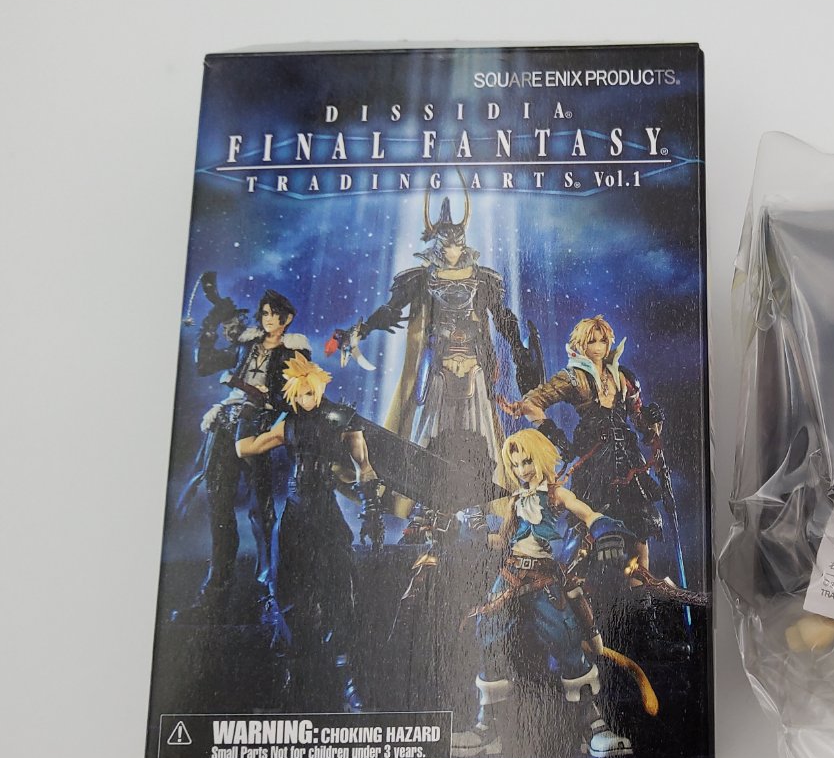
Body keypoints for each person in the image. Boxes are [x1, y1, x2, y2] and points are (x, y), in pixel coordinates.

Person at [334, 188, 538, 495]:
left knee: (480, 431)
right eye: (447, 243)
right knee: (429, 429)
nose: (453, 250)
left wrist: (519, 350)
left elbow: (502, 317)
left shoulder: (483, 279)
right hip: (436, 365)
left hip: (475, 364)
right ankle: (423, 498)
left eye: (458, 242)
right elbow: (391, 310)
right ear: (438, 243)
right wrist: (360, 331)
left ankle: (483, 497)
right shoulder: (419, 278)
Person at [450, 428, 637, 758]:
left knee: (565, 640)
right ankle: (486, 728)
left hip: (543, 581)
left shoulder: (555, 495)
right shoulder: (514, 501)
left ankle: (593, 725)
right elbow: (502, 541)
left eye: (527, 461)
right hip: (509, 578)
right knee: (489, 635)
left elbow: (588, 513)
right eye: (516, 464)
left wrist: (605, 531)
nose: (522, 469)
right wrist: (467, 531)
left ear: (540, 457)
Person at [235, 356, 384, 712]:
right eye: (301, 393)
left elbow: (365, 468)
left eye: (312, 392)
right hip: (295, 513)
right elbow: (246, 447)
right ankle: (295, 673)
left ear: (321, 387)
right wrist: (246, 412)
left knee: (339, 592)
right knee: (288, 590)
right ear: (294, 393)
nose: (308, 398)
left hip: (325, 512)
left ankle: (349, 678)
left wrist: (371, 510)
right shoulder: (287, 424)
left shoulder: (342, 420)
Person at [502, 316, 664, 572]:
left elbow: (641, 422)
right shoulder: (573, 377)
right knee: (587, 526)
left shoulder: (622, 377)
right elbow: (533, 402)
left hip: (627, 457)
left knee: (640, 526)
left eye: (602, 341)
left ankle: (640, 585)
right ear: (581, 344)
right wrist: (555, 436)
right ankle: (583, 582)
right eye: (592, 342)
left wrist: (652, 420)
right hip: (594, 456)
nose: (598, 347)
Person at [183, 288, 309, 611]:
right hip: (225, 425)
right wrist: (210, 323)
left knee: (261, 512)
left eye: (274, 314)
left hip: (258, 429)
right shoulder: (246, 345)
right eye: (264, 313)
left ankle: (270, 590)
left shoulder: (295, 353)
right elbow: (204, 364)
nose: (269, 320)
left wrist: (256, 392)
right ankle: (215, 591)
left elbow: (295, 398)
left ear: (287, 319)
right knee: (218, 507)